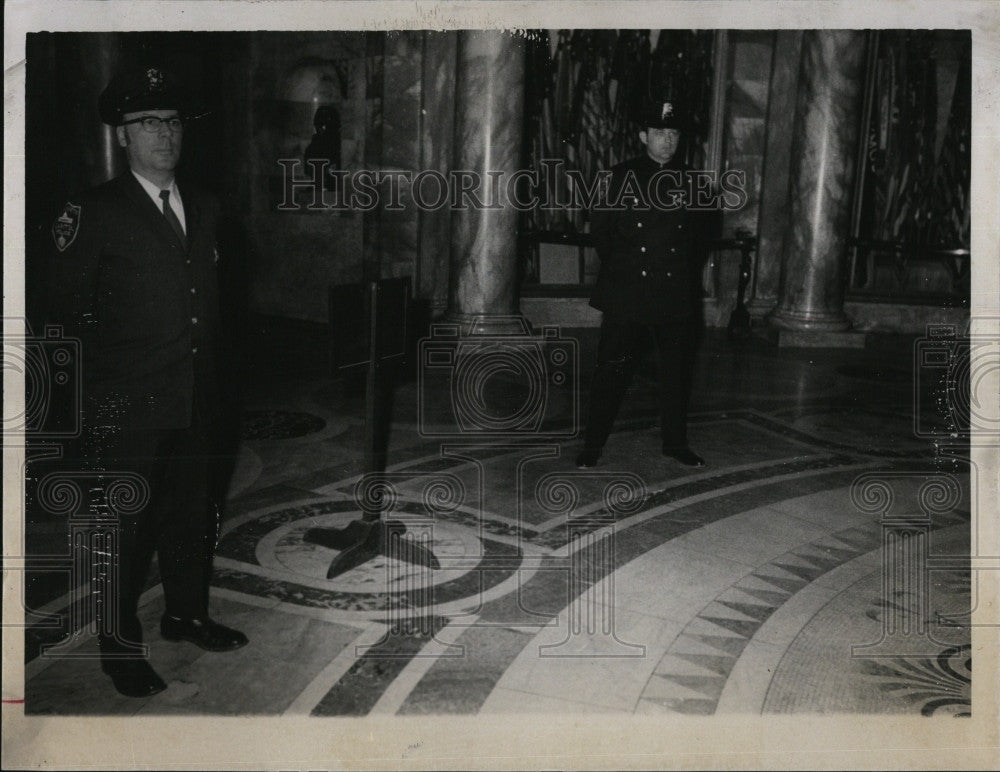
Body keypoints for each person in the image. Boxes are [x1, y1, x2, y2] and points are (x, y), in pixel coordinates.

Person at [44, 64, 247, 698]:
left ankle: (186, 614)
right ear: (124, 136)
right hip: (125, 404)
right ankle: (119, 647)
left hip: (197, 396)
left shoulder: (209, 206)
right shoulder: (93, 211)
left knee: (192, 515)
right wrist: (76, 415)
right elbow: (62, 313)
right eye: (147, 123)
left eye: (173, 120)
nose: (164, 132)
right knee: (123, 532)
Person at [576, 99, 706, 469]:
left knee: (676, 373)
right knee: (611, 371)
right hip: (628, 290)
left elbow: (698, 241)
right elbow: (603, 235)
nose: (668, 140)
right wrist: (630, 270)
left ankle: (676, 443)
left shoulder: (695, 183)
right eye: (660, 133)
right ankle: (592, 445)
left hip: (673, 291)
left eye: (674, 133)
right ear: (643, 136)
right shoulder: (618, 177)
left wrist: (674, 273)